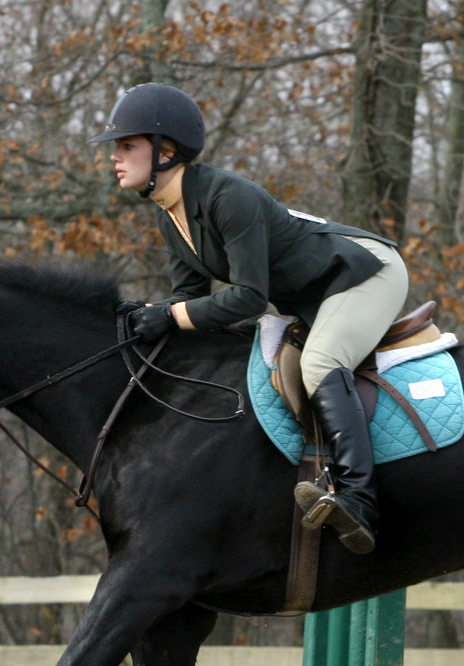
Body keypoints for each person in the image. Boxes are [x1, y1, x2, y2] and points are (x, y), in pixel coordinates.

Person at [88, 83, 410, 555]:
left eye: (127, 145)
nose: (115, 156)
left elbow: (248, 299)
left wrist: (171, 314)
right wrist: (151, 316)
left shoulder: (227, 196)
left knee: (319, 364)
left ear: (165, 151)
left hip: (365, 272)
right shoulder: (169, 215)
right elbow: (188, 299)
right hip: (317, 294)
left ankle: (359, 500)